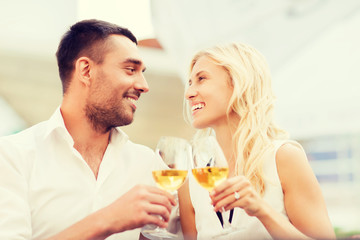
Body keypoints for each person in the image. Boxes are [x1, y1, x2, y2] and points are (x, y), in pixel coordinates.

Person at [0, 19, 176, 240]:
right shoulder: (12, 156)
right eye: (130, 69)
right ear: (86, 70)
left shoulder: (147, 163)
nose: (144, 85)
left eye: (142, 72)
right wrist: (108, 220)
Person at [178, 42, 336, 239]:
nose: (188, 93)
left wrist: (262, 210)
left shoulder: (284, 158)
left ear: (238, 83)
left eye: (201, 79)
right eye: (190, 82)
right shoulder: (190, 180)